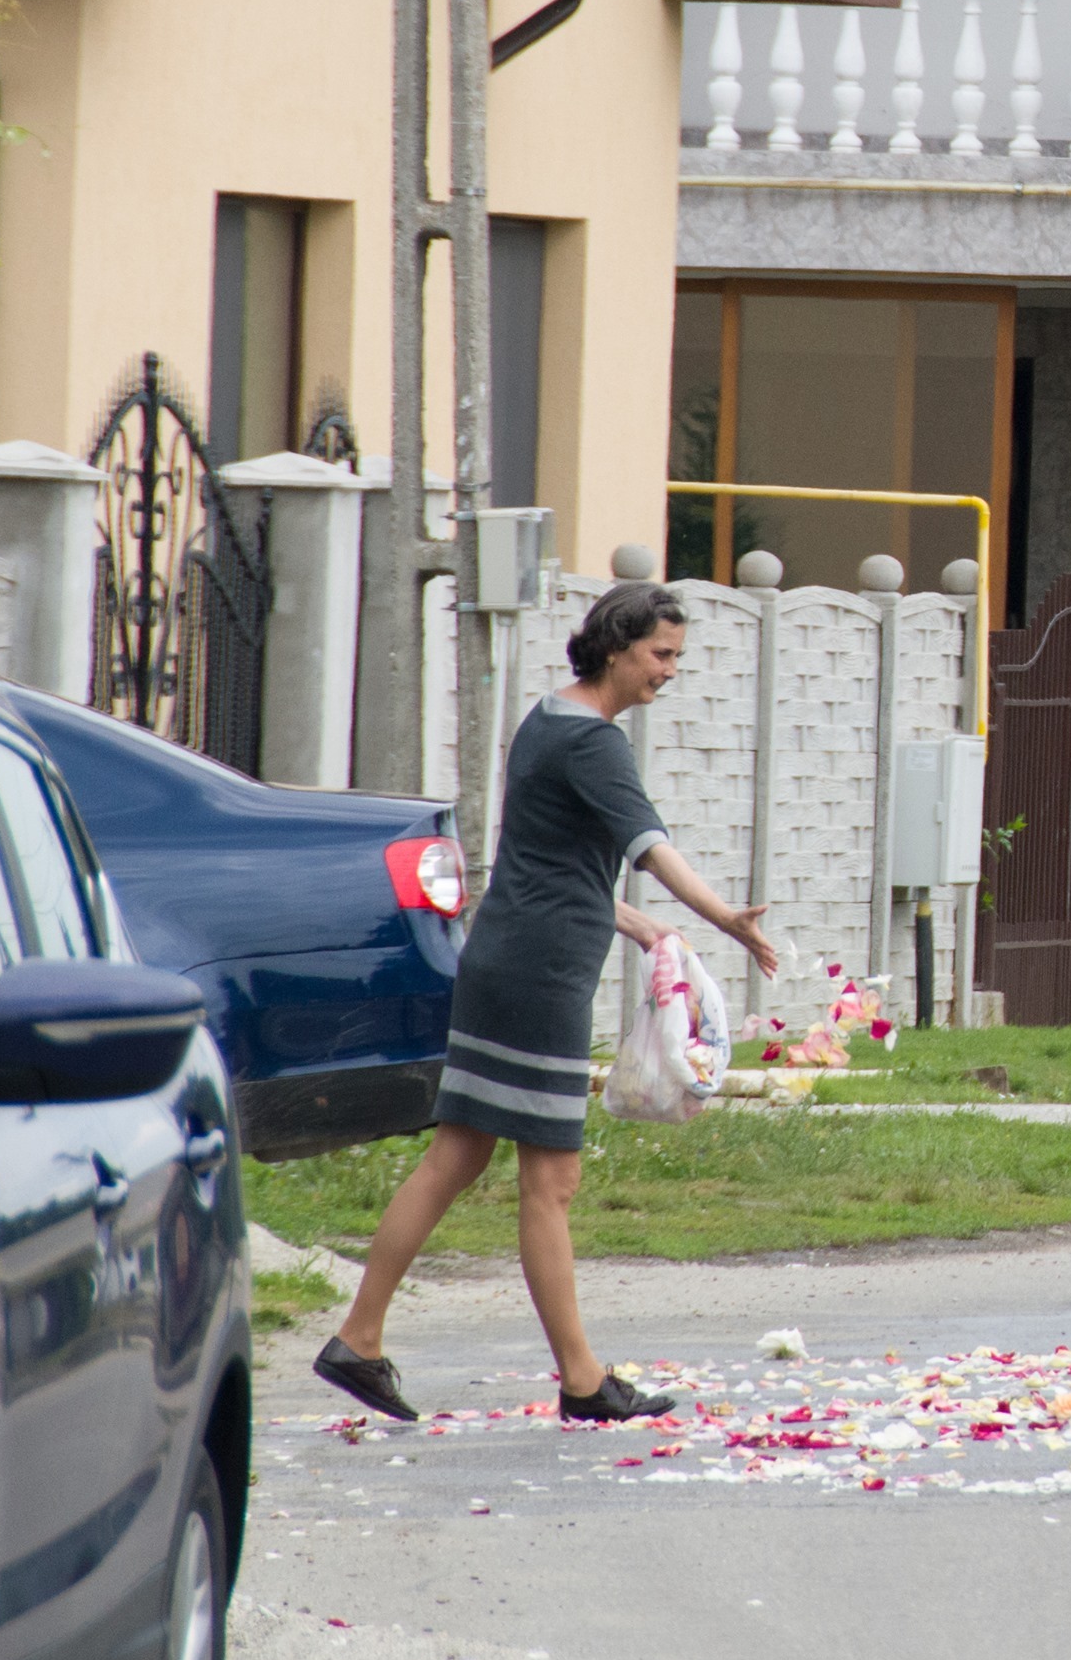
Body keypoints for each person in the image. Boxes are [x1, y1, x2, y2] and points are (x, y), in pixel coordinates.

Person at [314, 580, 778, 1425]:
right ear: (616, 648)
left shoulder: (544, 719)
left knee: (457, 1157)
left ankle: (360, 1337)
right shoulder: (595, 744)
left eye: (676, 656)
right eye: (661, 654)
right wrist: (725, 918)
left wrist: (638, 925)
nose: (669, 671)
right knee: (552, 1178)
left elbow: (549, 864)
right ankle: (581, 1380)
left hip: (506, 958)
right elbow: (650, 848)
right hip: (540, 978)